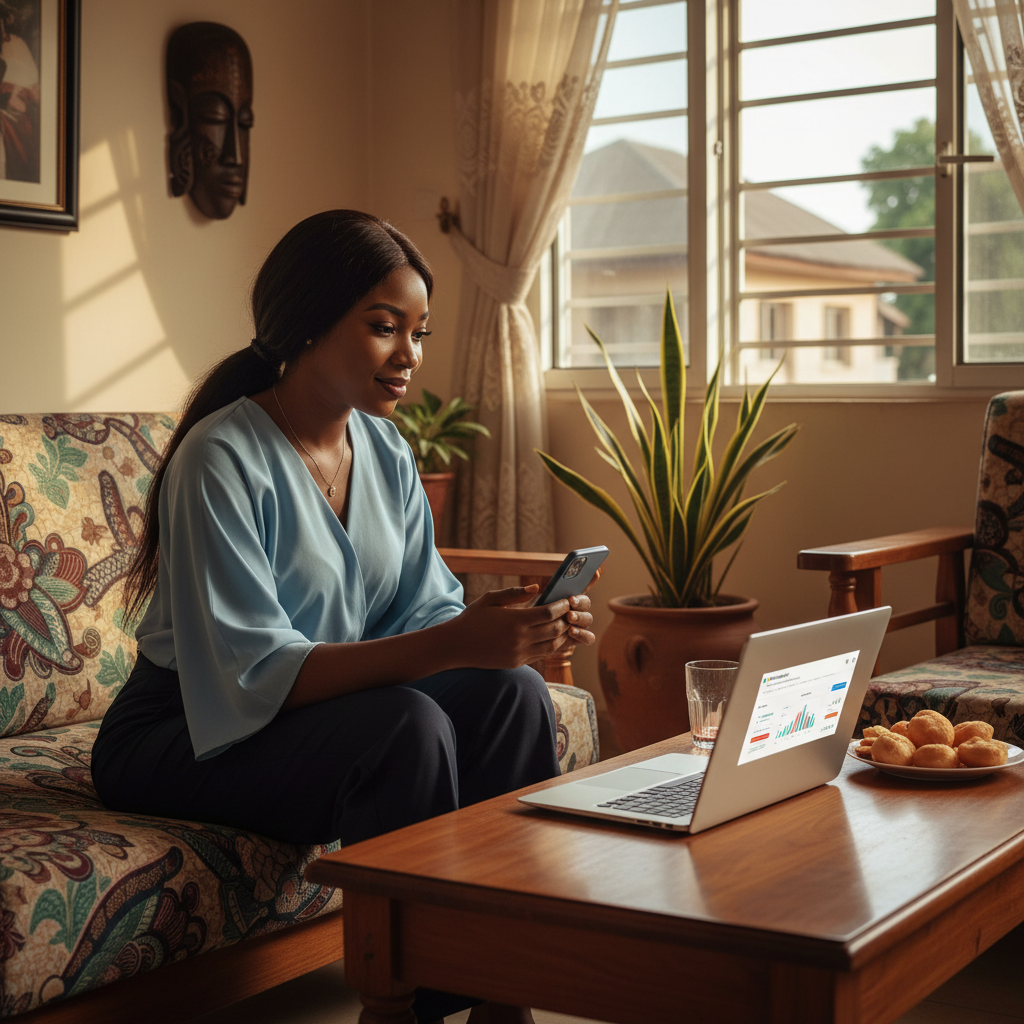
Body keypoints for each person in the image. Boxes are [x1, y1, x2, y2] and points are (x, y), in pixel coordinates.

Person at [91, 209, 595, 1024]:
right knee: (404, 727)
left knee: (514, 696)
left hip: (304, 712)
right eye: (384, 328)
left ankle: (506, 996)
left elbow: (421, 614)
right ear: (308, 321)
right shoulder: (220, 459)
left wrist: (499, 633)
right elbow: (254, 673)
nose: (409, 357)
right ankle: (403, 1004)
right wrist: (453, 641)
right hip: (182, 731)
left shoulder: (388, 452)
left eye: (420, 332)